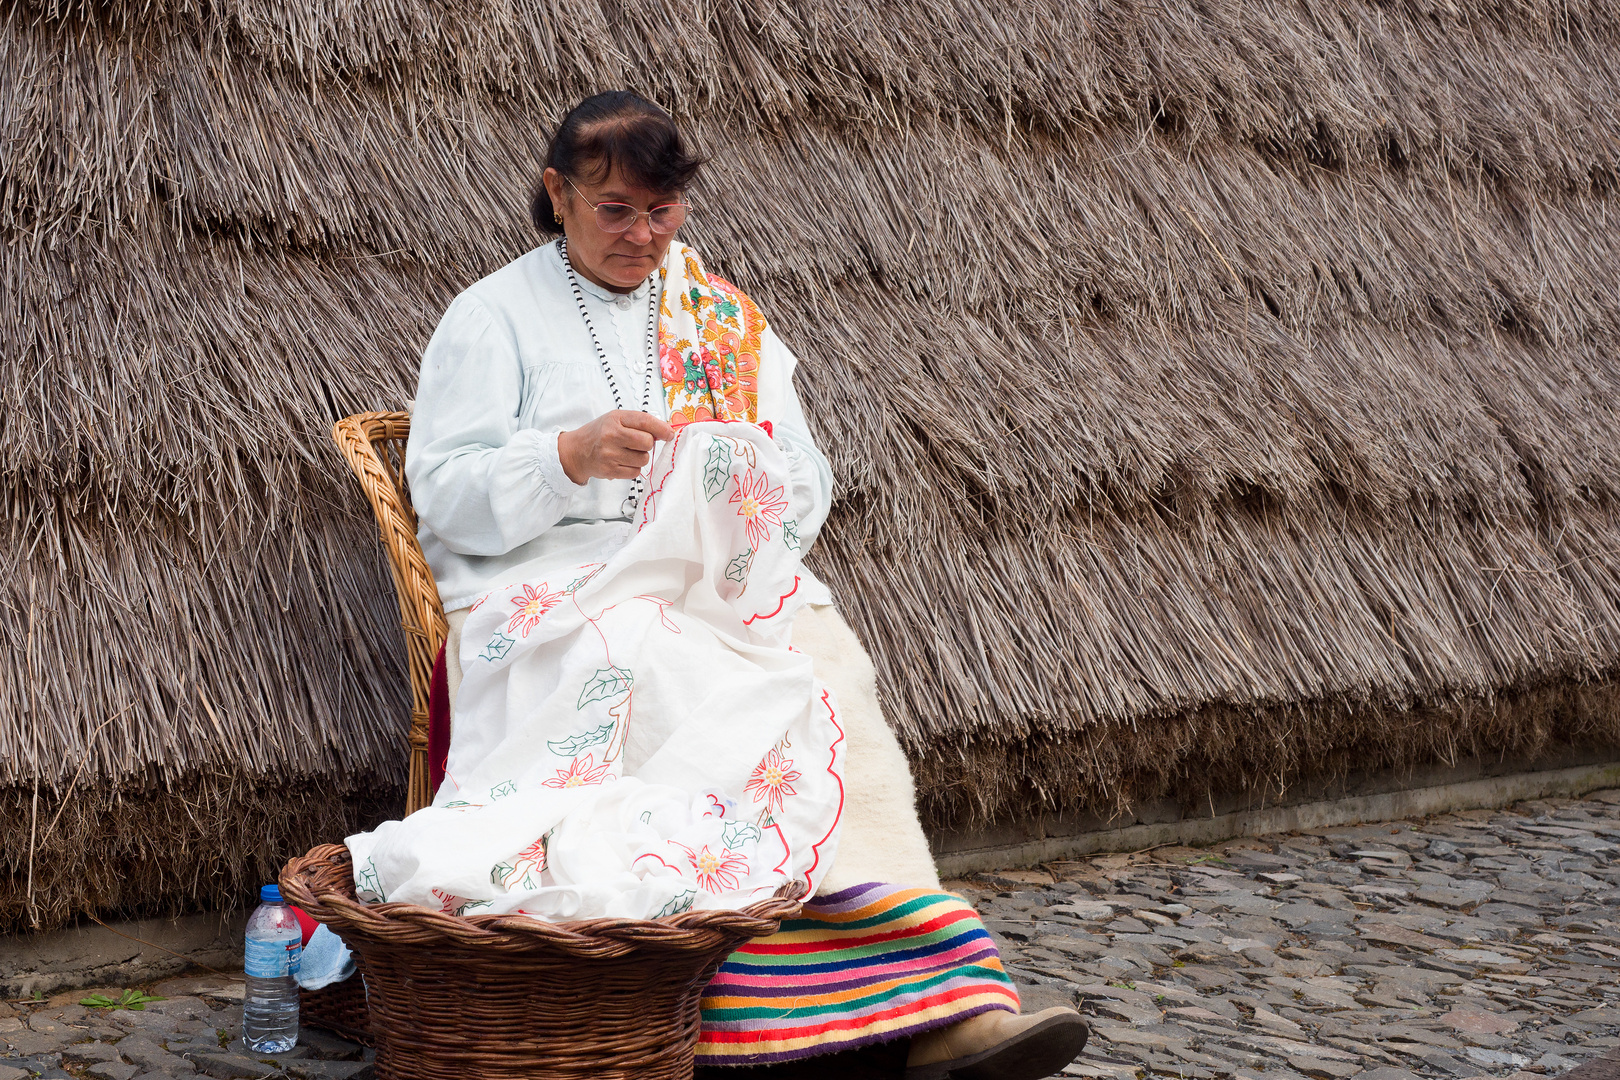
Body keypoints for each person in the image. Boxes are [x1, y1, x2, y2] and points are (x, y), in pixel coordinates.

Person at [402, 90, 1090, 1079]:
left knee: (830, 676)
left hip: (721, 578)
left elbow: (809, 476)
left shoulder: (718, 319)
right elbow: (446, 497)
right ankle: (727, 1013)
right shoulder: (491, 316)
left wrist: (742, 496)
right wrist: (568, 455)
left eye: (663, 212)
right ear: (557, 193)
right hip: (558, 582)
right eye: (615, 211)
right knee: (664, 671)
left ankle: (943, 1005)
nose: (643, 237)